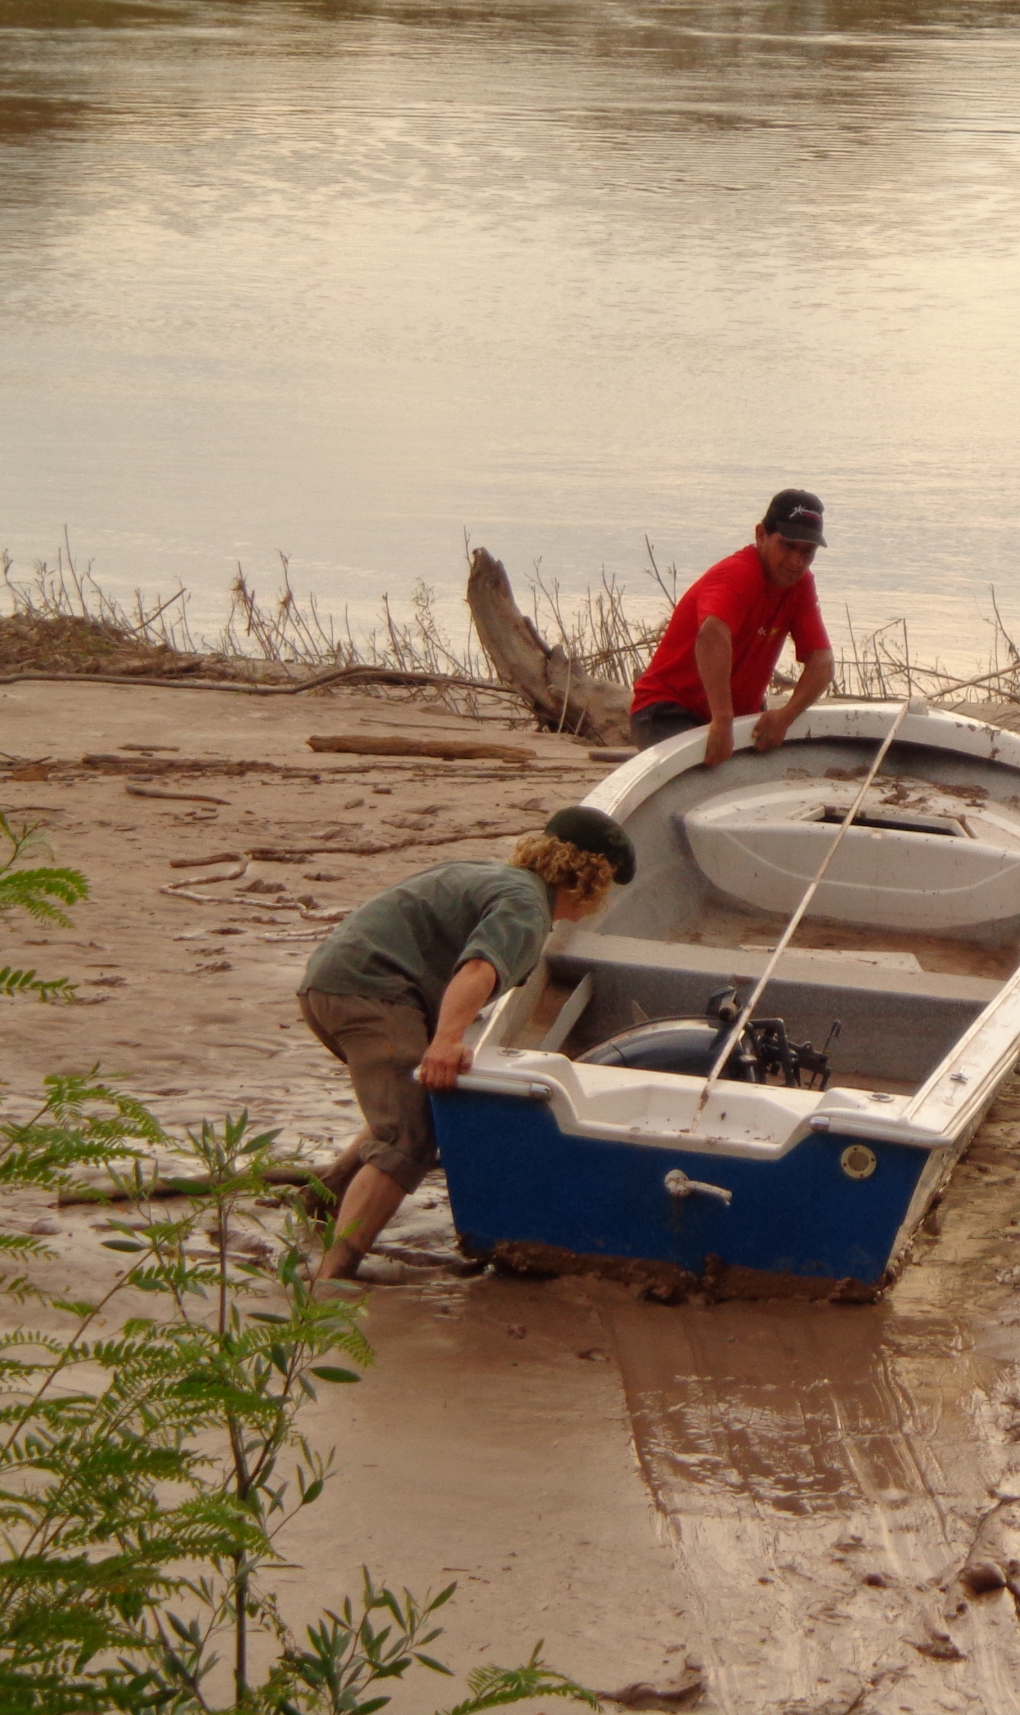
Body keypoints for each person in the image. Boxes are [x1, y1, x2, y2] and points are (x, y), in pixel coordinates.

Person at [296, 806, 635, 1282]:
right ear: (591, 880)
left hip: (327, 987)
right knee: (408, 1137)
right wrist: (448, 1040)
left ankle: (318, 1203)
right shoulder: (528, 907)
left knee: (406, 1108)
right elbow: (478, 968)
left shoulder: (490, 875)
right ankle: (331, 1278)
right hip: (371, 995)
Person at [627, 488, 835, 768]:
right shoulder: (739, 573)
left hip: (736, 717)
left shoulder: (801, 584)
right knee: (707, 779)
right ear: (761, 534)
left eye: (807, 552)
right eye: (787, 546)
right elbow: (712, 634)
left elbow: (822, 662)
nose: (796, 561)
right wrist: (722, 720)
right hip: (668, 710)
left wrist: (787, 714)